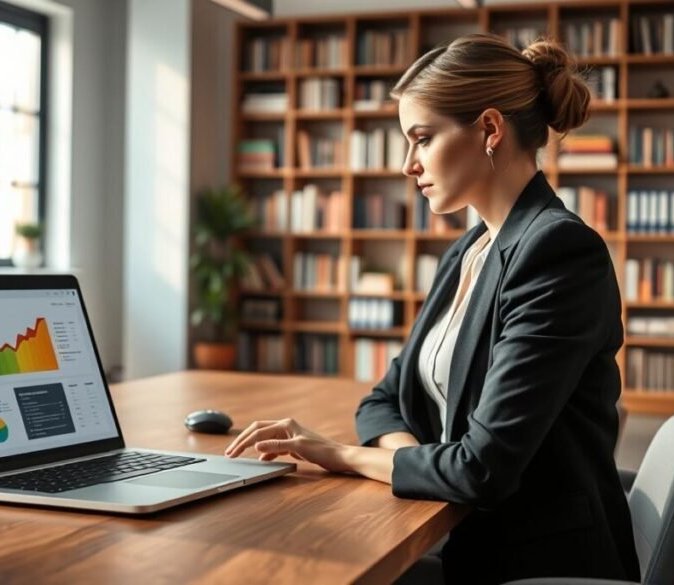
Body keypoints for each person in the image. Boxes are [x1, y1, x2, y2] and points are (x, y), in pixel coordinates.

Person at [224, 33, 640, 584]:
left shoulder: (558, 253)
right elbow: (383, 401)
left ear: (490, 130)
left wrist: (342, 456)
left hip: (534, 561)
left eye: (421, 139)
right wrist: (421, 463)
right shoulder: (468, 251)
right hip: (470, 536)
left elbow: (479, 471)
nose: (407, 165)